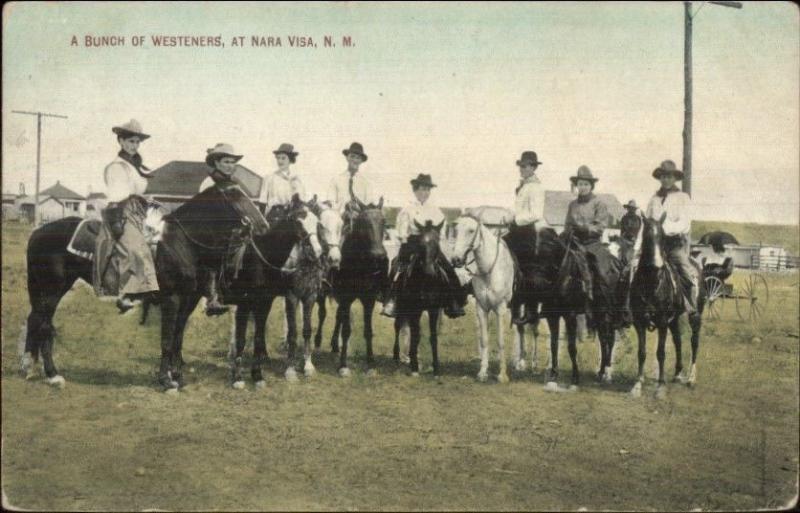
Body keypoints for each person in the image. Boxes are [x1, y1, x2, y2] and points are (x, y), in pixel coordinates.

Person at [94, 119, 160, 314]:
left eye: (137, 142)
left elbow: (137, 190)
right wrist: (117, 223)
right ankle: (126, 294)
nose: (134, 145)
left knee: (162, 238)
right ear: (121, 141)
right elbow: (118, 197)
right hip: (123, 211)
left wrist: (146, 201)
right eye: (130, 141)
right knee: (133, 247)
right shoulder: (117, 167)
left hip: (139, 210)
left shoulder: (136, 165)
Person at [380, 174, 466, 319]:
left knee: (448, 269)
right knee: (397, 267)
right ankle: (390, 300)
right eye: (422, 189)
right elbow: (402, 232)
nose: (425, 193)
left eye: (428, 189)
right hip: (412, 243)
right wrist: (406, 241)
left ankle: (454, 302)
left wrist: (438, 244)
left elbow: (442, 233)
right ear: (415, 190)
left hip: (431, 245)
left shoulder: (435, 210)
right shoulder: (407, 209)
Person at [197, 143, 259, 316]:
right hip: (211, 228)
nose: (230, 165)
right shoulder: (209, 182)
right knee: (216, 253)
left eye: (232, 162)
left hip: (232, 229)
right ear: (216, 163)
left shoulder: (234, 183)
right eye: (226, 161)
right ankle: (212, 298)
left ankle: (243, 291)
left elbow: (243, 207)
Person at [562, 166, 620, 321]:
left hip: (592, 243)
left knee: (602, 270)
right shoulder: (572, 205)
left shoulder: (599, 203)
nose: (582, 187)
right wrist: (566, 233)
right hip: (574, 243)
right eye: (580, 184)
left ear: (591, 186)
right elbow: (567, 224)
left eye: (586, 184)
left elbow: (600, 226)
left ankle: (604, 302)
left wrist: (585, 228)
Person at [644, 160, 699, 315]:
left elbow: (684, 223)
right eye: (663, 177)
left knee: (684, 270)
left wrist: (664, 228)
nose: (666, 180)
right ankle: (634, 308)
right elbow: (646, 223)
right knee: (635, 269)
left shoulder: (682, 198)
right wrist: (637, 248)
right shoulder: (654, 199)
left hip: (673, 245)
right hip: (655, 246)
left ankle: (690, 305)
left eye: (669, 177)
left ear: (675, 178)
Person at [502, 150, 547, 325]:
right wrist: (509, 216)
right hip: (517, 230)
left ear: (533, 167)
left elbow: (536, 213)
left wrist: (516, 219)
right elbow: (519, 209)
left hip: (528, 232)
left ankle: (530, 309)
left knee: (527, 267)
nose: (521, 169)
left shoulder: (536, 187)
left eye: (525, 166)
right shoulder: (524, 186)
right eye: (520, 166)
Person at [326, 142, 377, 224]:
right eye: (352, 156)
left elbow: (369, 206)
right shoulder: (336, 180)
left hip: (360, 223)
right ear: (347, 158)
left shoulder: (366, 183)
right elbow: (330, 203)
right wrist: (344, 212)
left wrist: (358, 214)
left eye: (358, 158)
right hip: (339, 221)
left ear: (361, 161)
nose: (355, 160)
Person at [260, 143, 306, 225]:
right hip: (274, 217)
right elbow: (262, 202)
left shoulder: (296, 180)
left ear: (290, 160)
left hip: (291, 217)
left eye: (283, 158)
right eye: (278, 158)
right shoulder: (269, 178)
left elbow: (301, 201)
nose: (280, 161)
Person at [618, 199, 641, 266]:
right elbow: (623, 230)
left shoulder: (638, 219)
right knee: (623, 257)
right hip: (625, 240)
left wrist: (635, 238)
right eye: (630, 208)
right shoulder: (624, 218)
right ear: (628, 209)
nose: (631, 210)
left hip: (634, 241)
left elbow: (638, 230)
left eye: (633, 209)